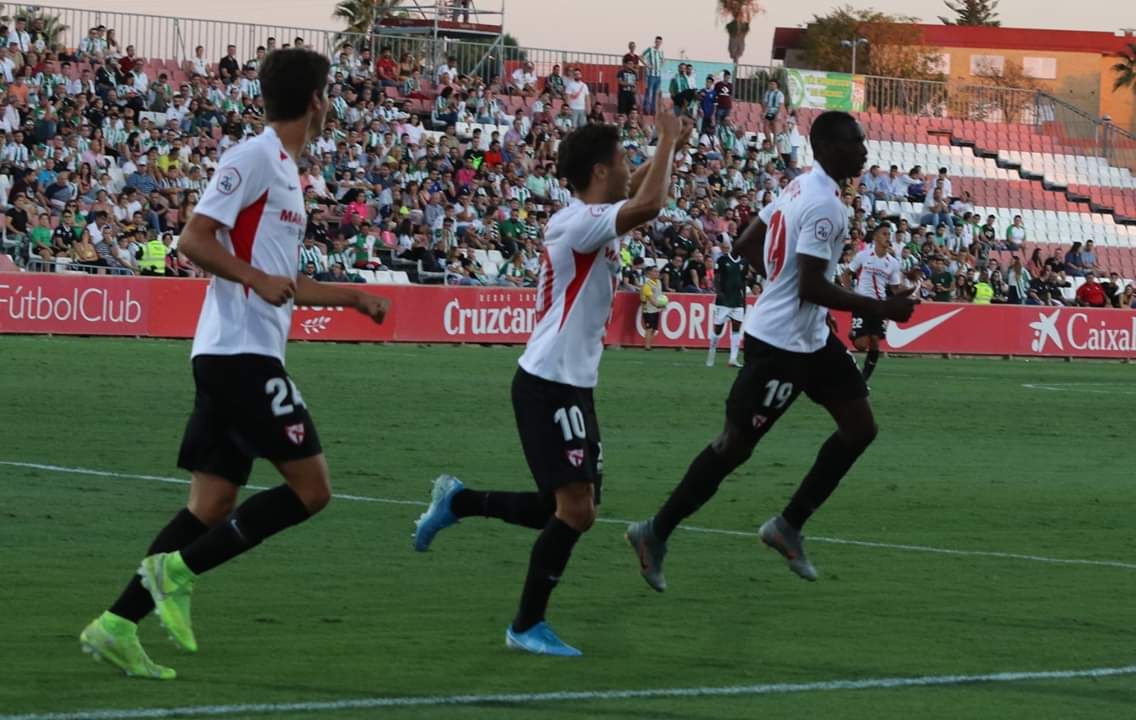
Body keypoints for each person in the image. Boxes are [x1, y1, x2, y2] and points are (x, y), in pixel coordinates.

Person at [78, 48, 390, 681]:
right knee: (313, 490)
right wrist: (251, 276)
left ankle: (114, 626)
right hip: (240, 356)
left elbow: (282, 280)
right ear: (316, 102)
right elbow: (191, 238)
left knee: (211, 505)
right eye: (328, 96)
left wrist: (353, 297)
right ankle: (177, 571)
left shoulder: (283, 169)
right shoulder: (253, 157)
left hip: (235, 353)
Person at [410, 112, 691, 657]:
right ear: (600, 170)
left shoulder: (595, 212)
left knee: (563, 509)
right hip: (548, 382)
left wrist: (665, 149)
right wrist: (666, 142)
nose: (632, 168)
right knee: (576, 510)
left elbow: (640, 190)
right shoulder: (577, 222)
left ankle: (460, 502)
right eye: (623, 161)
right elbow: (650, 203)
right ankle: (525, 625)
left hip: (572, 383)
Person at [624, 111, 916, 593]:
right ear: (826, 148)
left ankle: (788, 526)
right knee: (733, 447)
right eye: (854, 143)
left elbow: (747, 242)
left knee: (860, 427)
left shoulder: (802, 186)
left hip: (810, 340)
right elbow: (809, 285)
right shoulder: (825, 205)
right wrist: (883, 308)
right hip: (779, 347)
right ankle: (654, 532)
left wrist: (779, 282)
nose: (864, 152)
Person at [842, 224, 902, 381]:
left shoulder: (893, 263)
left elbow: (895, 288)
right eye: (884, 234)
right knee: (861, 345)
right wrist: (851, 294)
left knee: (875, 341)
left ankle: (864, 379)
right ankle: (853, 334)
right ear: (875, 237)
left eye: (889, 234)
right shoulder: (863, 256)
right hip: (862, 303)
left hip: (880, 305)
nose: (887, 237)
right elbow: (846, 275)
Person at [707, 245, 747, 368]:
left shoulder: (744, 262)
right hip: (724, 300)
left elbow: (743, 280)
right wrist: (719, 292)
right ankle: (711, 353)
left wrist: (744, 299)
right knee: (718, 329)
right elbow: (716, 278)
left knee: (736, 327)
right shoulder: (722, 260)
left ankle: (733, 359)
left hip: (737, 300)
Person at [640, 264, 665, 350]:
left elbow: (659, 295)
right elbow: (651, 299)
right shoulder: (647, 285)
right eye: (654, 271)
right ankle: (647, 346)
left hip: (656, 309)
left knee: (654, 329)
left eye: (657, 271)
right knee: (649, 328)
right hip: (648, 309)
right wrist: (660, 305)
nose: (657, 273)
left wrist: (662, 303)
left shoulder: (659, 282)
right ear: (649, 273)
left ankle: (650, 344)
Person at [641, 36, 664, 115]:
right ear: (655, 42)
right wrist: (647, 65)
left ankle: (653, 110)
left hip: (658, 75)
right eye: (657, 41)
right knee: (649, 92)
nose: (658, 43)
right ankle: (646, 108)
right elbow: (641, 57)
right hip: (651, 74)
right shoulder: (650, 49)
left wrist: (661, 65)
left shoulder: (661, 51)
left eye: (659, 42)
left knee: (655, 93)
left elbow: (663, 60)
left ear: (661, 43)